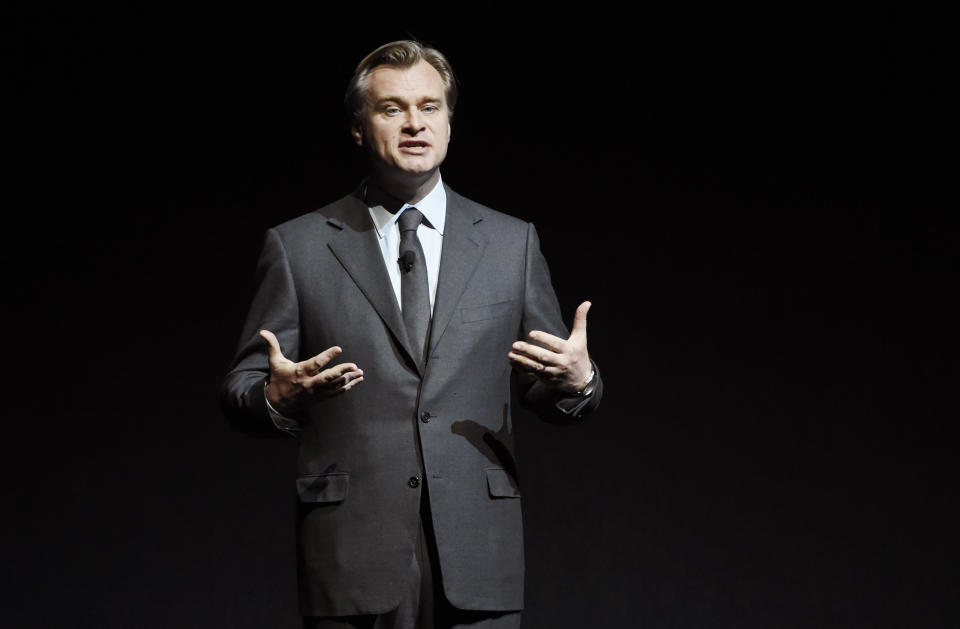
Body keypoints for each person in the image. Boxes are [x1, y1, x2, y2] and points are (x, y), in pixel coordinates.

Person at [221, 40, 603, 629]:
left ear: (450, 121)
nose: (415, 123)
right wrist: (276, 396)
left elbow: (546, 379)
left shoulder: (510, 243)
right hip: (353, 548)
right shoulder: (298, 247)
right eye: (392, 108)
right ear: (357, 127)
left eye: (430, 106)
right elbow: (244, 385)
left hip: (478, 546)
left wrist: (580, 381)